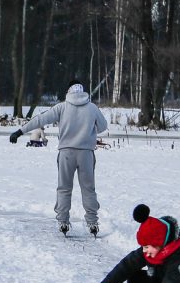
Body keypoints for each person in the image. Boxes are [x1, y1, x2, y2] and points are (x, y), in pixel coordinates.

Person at [9, 80, 108, 236]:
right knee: (88, 189)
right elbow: (103, 126)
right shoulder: (92, 108)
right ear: (83, 91)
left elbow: (40, 120)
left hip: (66, 153)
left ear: (68, 91)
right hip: (86, 154)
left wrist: (20, 132)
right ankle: (92, 223)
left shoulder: (62, 107)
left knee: (64, 188)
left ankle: (63, 222)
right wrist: (89, 127)